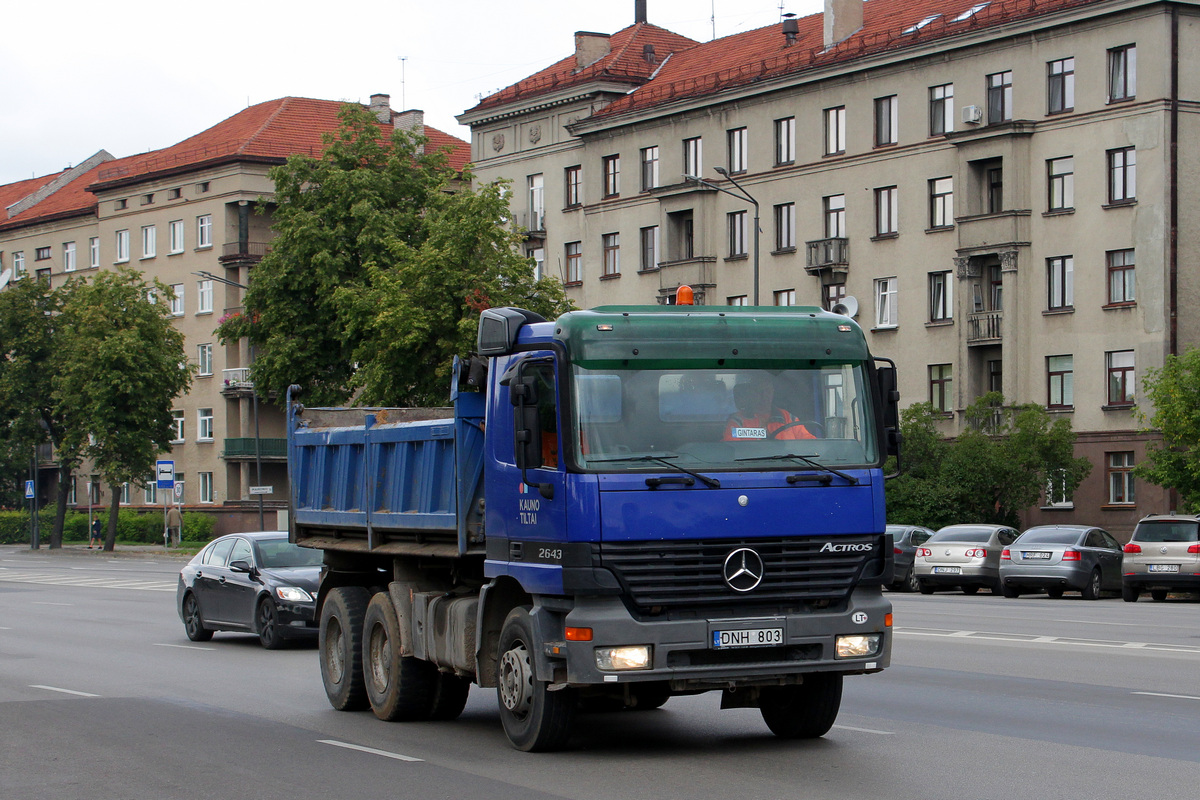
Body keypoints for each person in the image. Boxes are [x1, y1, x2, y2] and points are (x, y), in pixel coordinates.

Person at [723, 374, 816, 441]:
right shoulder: (737, 422)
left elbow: (809, 443)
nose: (764, 396)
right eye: (760, 391)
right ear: (751, 394)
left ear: (773, 392)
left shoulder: (788, 418)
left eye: (768, 391)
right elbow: (732, 450)